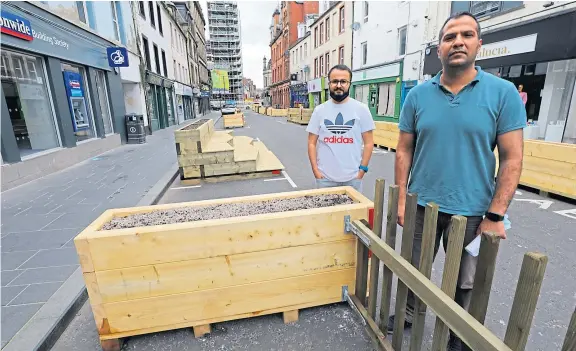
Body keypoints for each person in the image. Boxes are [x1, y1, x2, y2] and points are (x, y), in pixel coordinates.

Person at [392, 12, 526, 351]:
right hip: (423, 204)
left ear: (479, 43)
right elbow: (403, 150)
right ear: (439, 48)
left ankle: (459, 330)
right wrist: (403, 199)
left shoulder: (503, 93)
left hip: (474, 212)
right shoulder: (418, 96)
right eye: (450, 36)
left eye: (467, 35)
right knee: (413, 268)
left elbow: (512, 158)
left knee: (466, 282)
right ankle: (409, 312)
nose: (458, 41)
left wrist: (495, 216)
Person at [306, 64, 375, 192]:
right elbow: (311, 143)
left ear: (349, 83)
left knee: (351, 213)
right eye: (334, 81)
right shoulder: (319, 111)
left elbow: (369, 143)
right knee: (326, 213)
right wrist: (316, 171)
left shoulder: (361, 110)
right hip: (325, 179)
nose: (338, 85)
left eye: (343, 81)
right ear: (329, 83)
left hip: (353, 179)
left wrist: (361, 171)